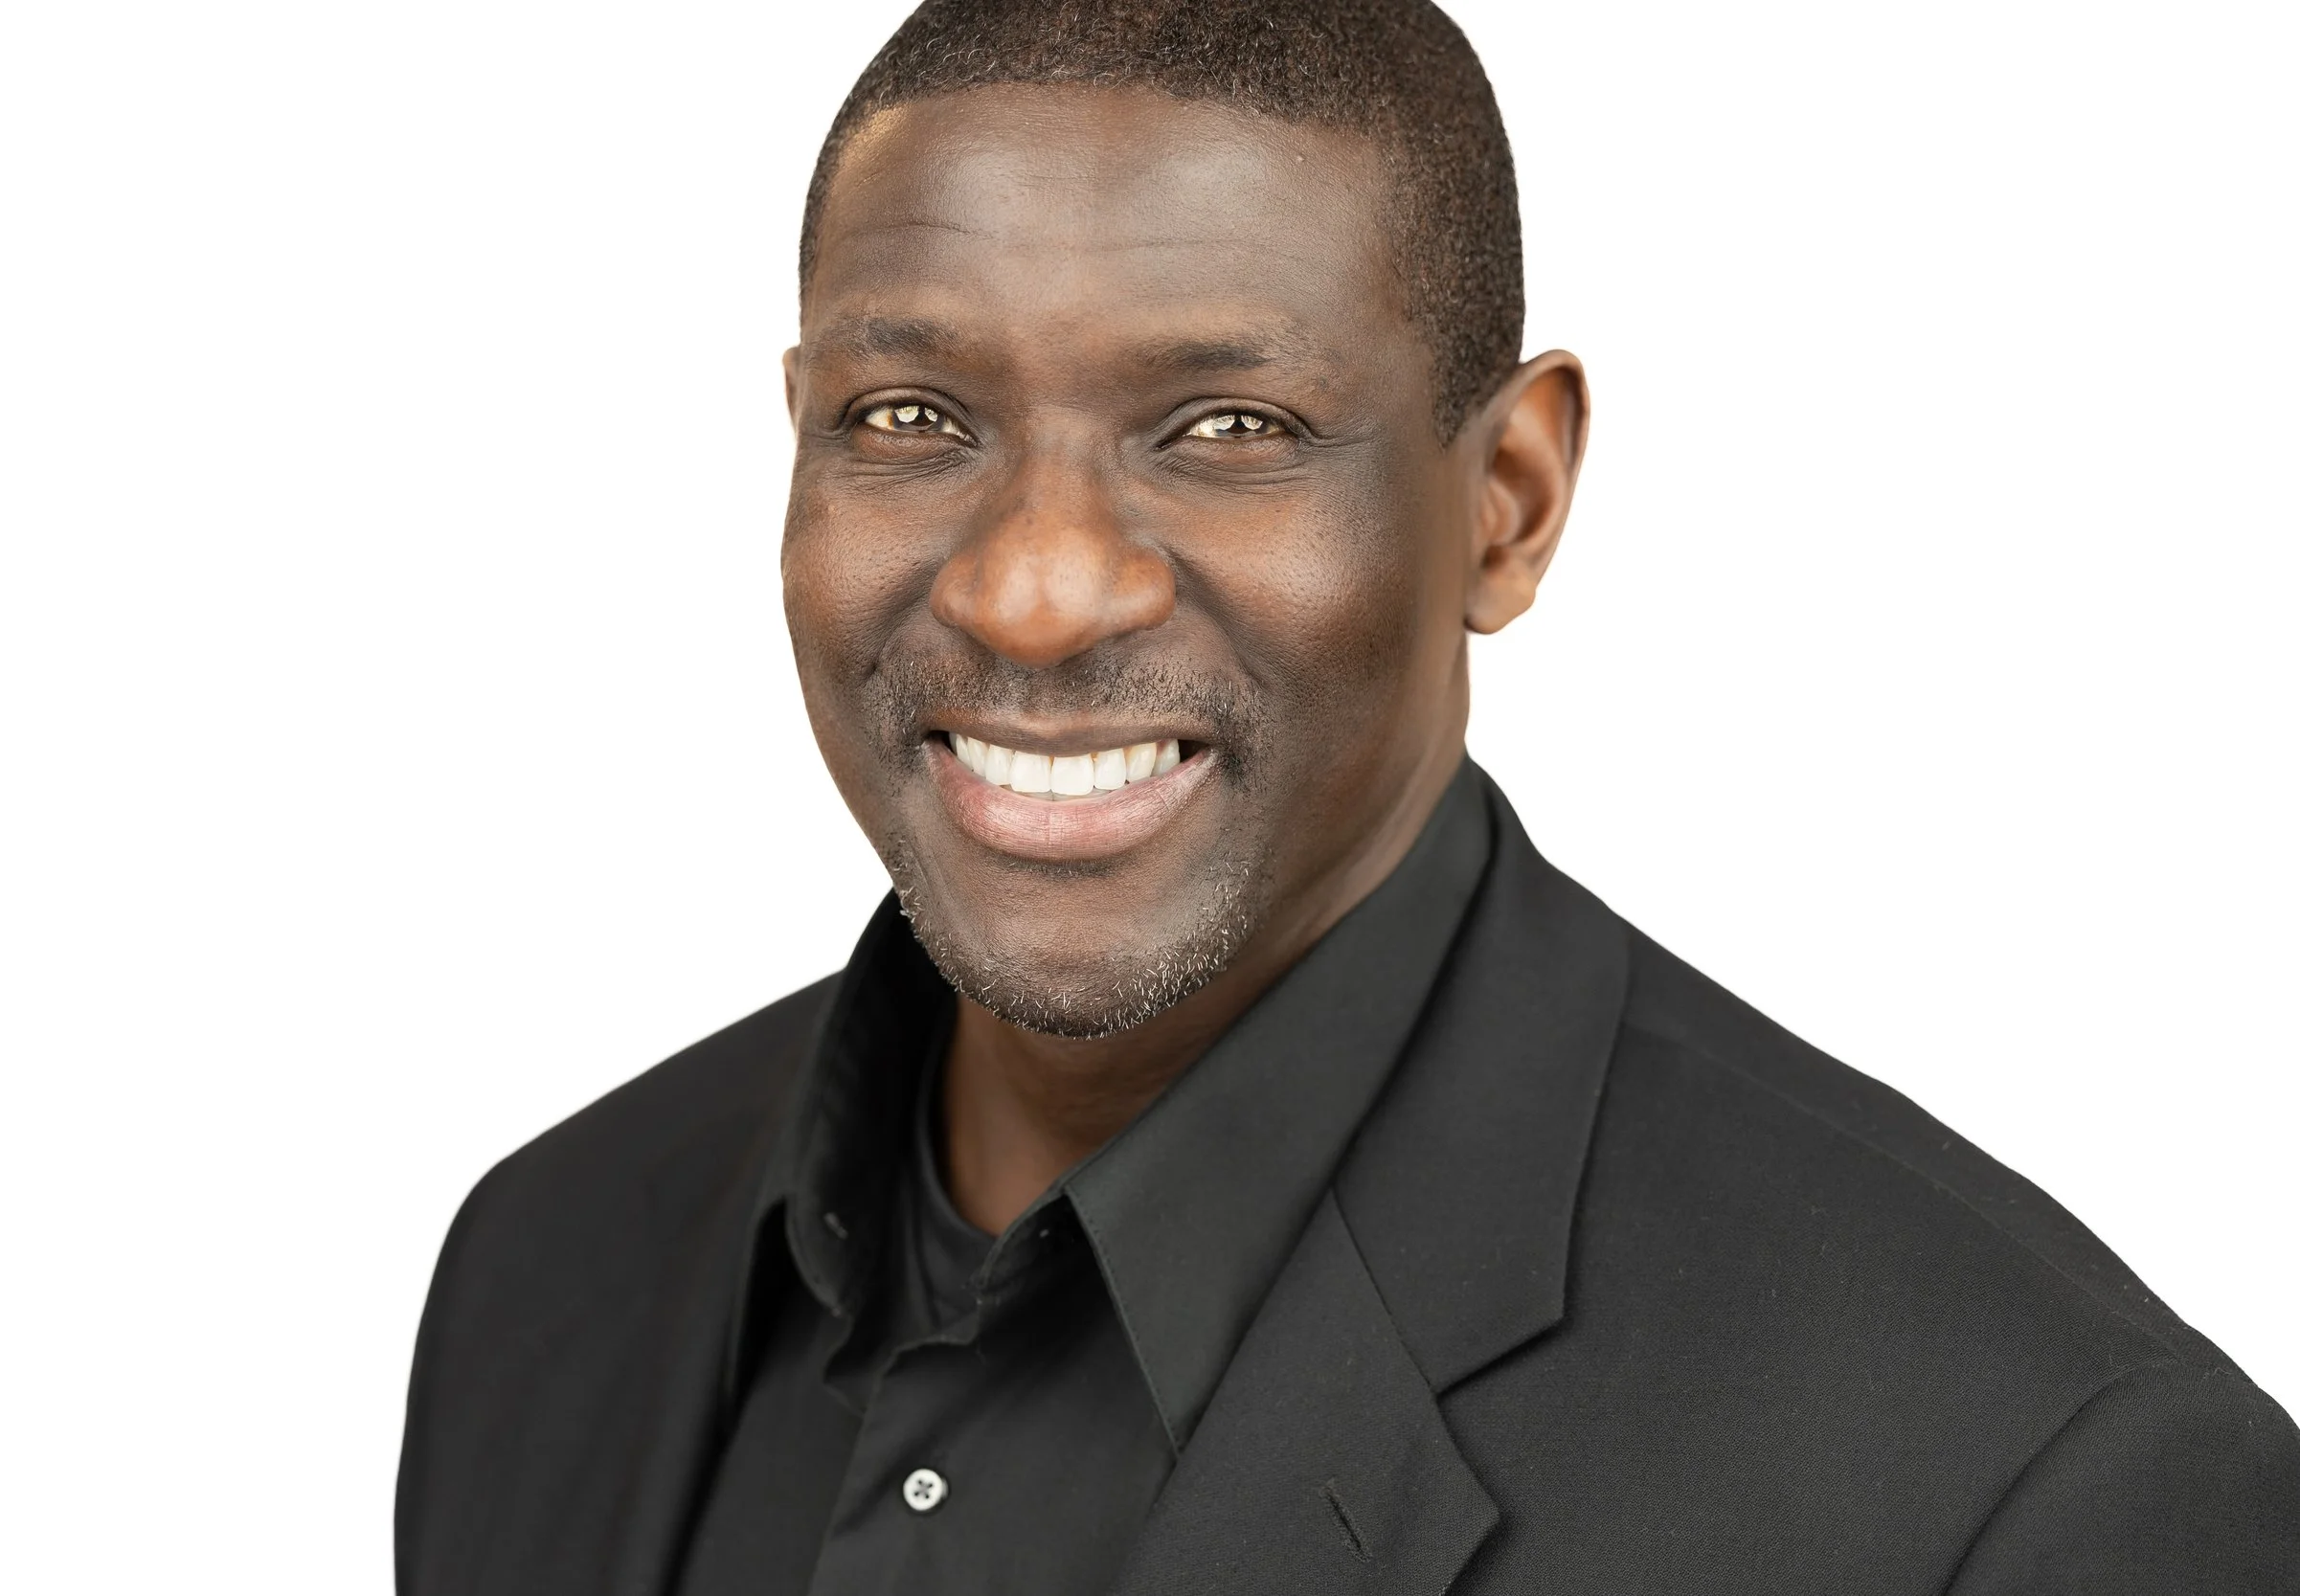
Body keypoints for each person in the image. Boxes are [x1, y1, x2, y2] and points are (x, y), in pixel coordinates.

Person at [395, 3, 2300, 1591]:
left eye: (1227, 428)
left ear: (1509, 498)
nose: (1031, 588)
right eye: (910, 421)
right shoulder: (549, 1264)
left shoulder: (2028, 1491)